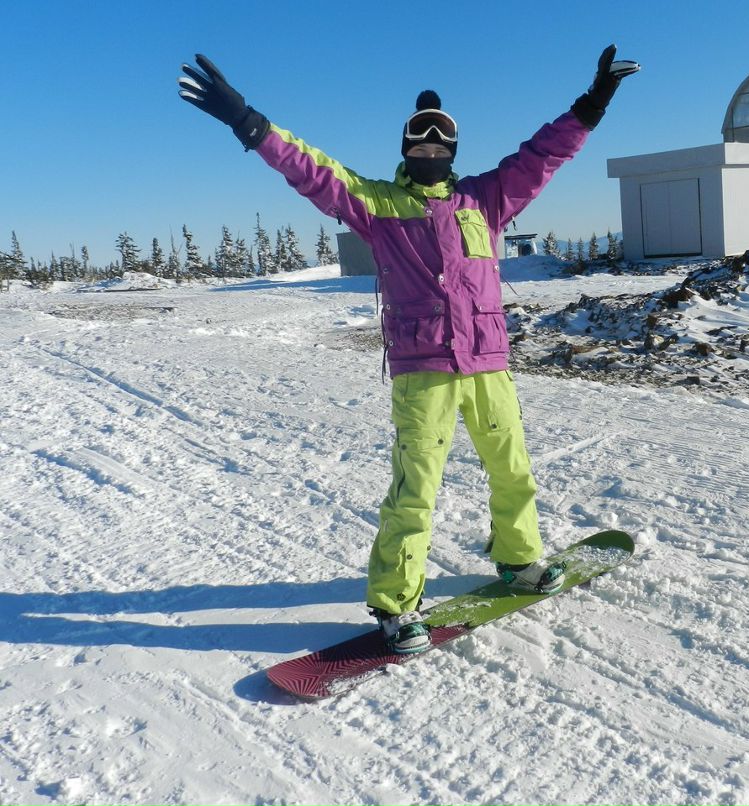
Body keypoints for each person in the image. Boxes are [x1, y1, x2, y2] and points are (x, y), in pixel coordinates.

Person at [177, 46, 636, 654]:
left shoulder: (485, 200)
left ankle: (519, 559)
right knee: (415, 488)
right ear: (404, 153)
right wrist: (248, 120)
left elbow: (543, 155)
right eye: (417, 150)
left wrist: (592, 102)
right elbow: (310, 169)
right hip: (424, 370)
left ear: (451, 154)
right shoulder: (378, 206)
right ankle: (396, 604)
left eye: (437, 150)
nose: (427, 157)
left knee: (512, 469)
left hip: (488, 361)